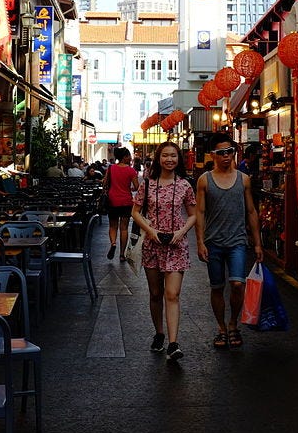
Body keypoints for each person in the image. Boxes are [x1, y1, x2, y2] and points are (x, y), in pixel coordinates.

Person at [195, 135, 262, 350]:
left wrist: (258, 243)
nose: (226, 156)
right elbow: (200, 212)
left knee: (237, 284)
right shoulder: (205, 180)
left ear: (234, 152)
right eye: (221, 152)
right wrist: (200, 242)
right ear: (213, 155)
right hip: (213, 242)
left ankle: (233, 324)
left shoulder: (244, 179)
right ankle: (221, 328)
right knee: (217, 287)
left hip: (237, 242)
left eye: (230, 151)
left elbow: (251, 211)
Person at [131, 141, 196, 361]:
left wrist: (182, 231)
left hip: (177, 245)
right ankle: (159, 333)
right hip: (153, 244)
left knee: (172, 294)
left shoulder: (185, 185)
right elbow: (135, 212)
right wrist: (150, 230)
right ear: (158, 159)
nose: (170, 159)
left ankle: (173, 343)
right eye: (166, 156)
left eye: (174, 156)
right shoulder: (147, 185)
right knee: (156, 293)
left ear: (179, 159)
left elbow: (194, 214)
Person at [105, 146, 140, 261]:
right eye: (129, 156)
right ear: (125, 157)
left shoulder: (111, 168)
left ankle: (113, 243)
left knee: (113, 226)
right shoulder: (131, 170)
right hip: (126, 201)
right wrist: (129, 188)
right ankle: (121, 255)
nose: (130, 158)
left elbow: (105, 183)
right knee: (124, 228)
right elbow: (136, 187)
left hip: (112, 200)